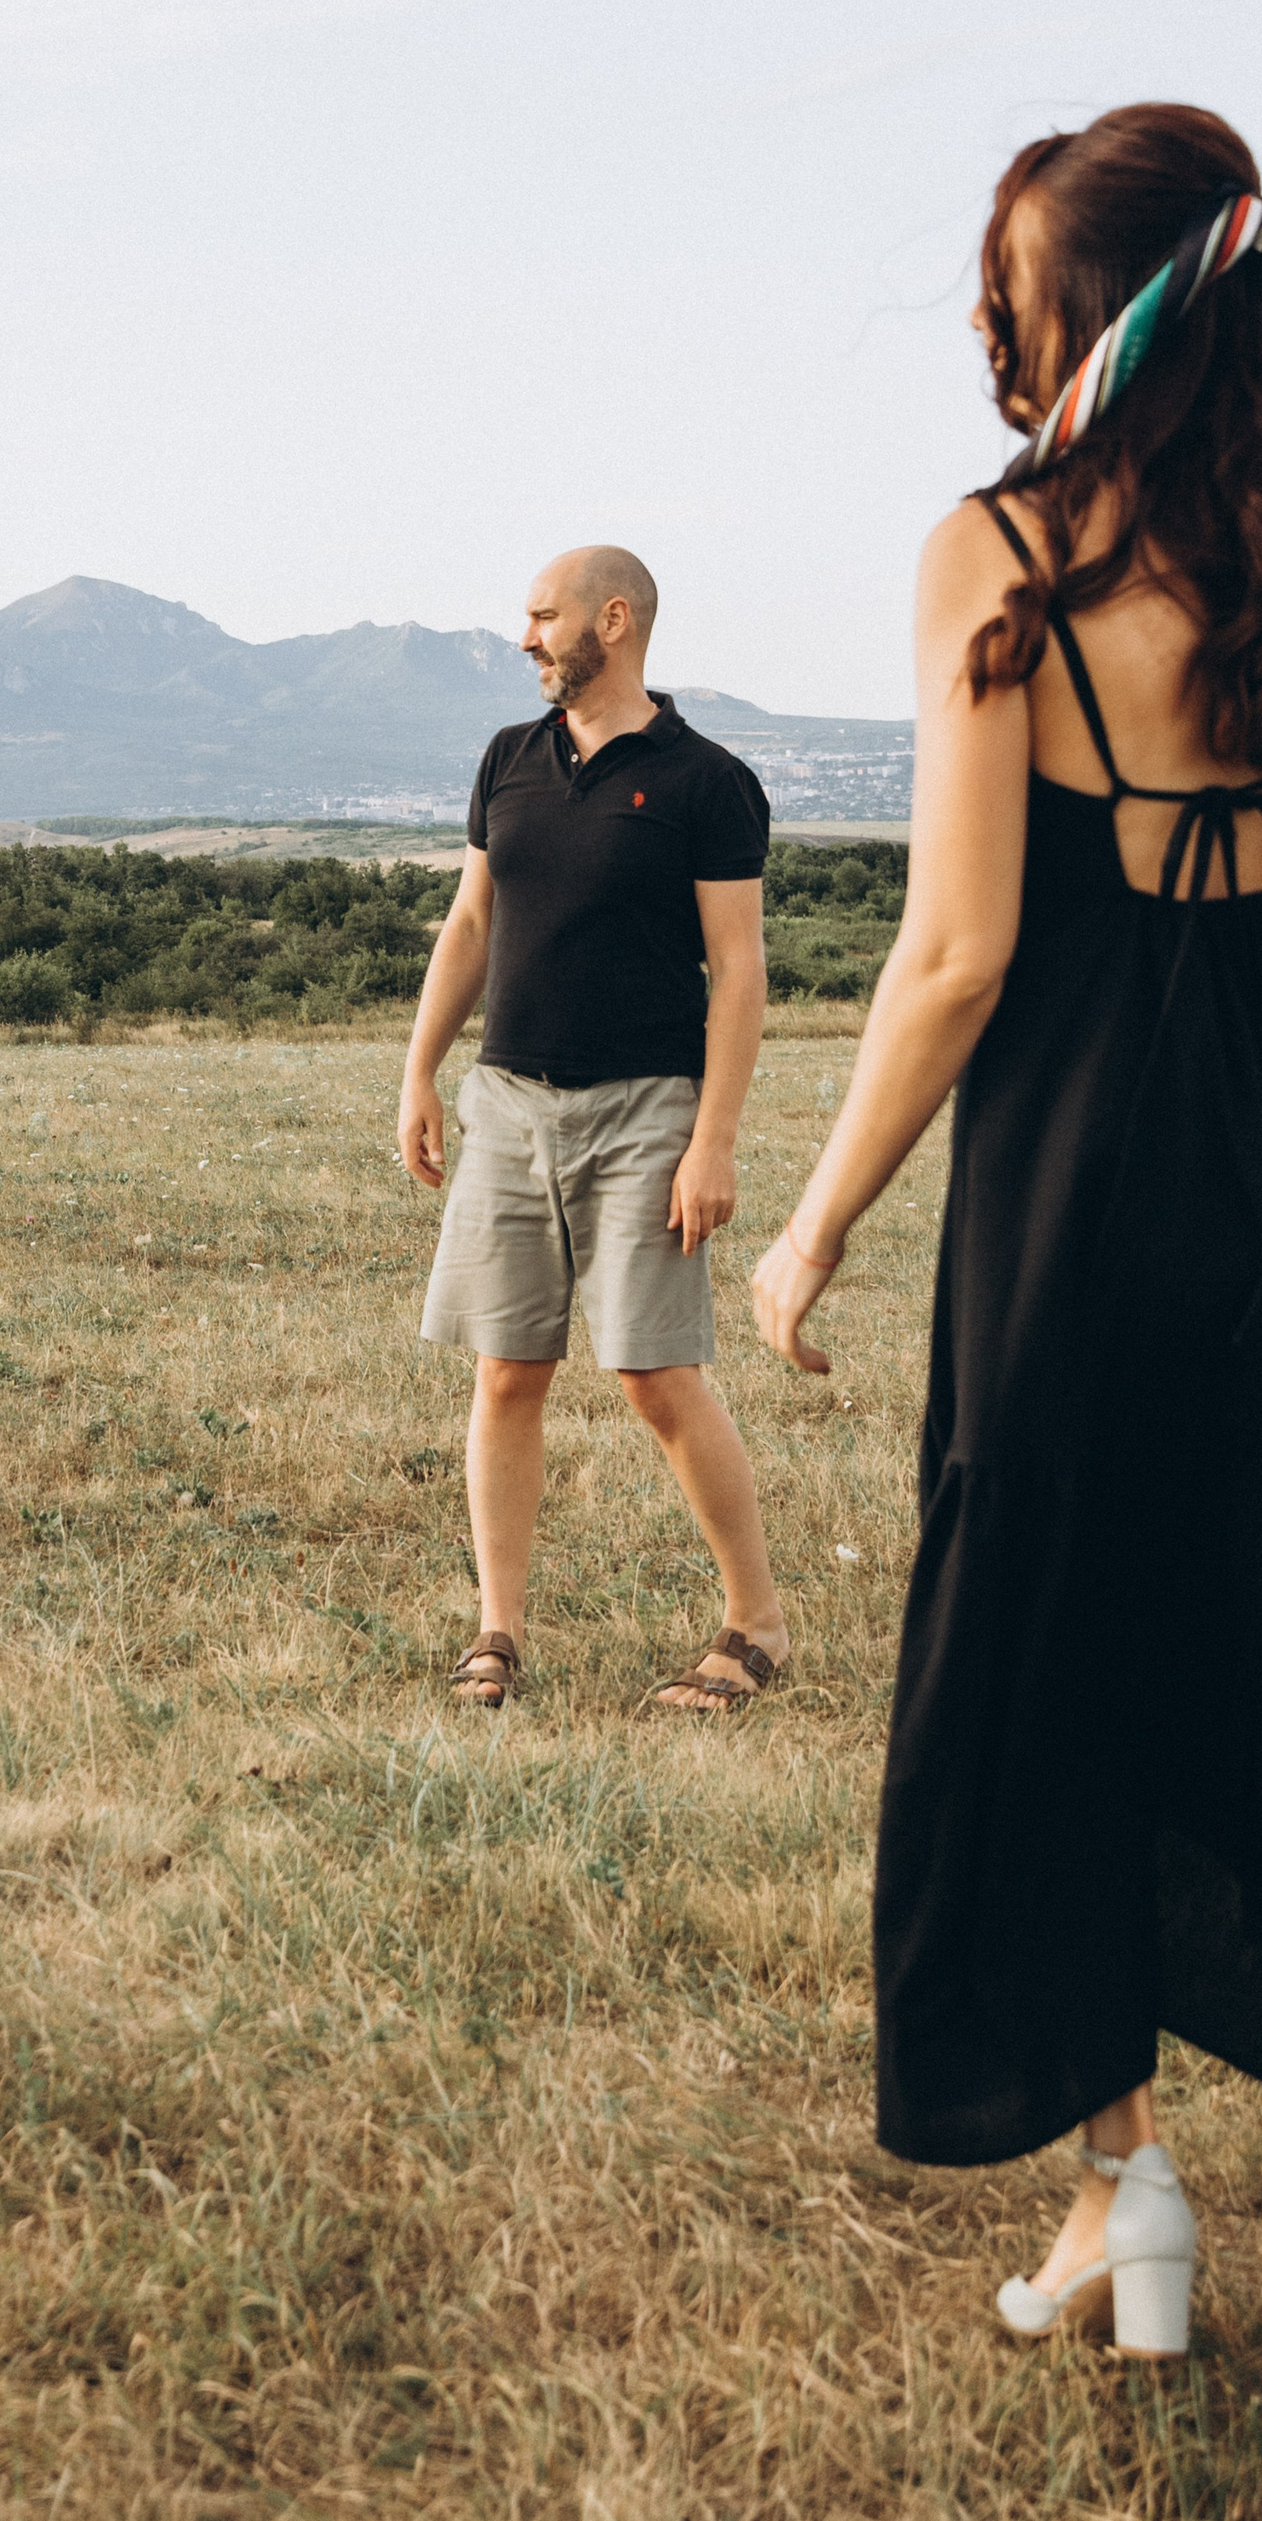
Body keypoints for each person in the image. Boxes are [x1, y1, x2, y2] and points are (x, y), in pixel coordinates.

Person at [751, 104, 1262, 2429]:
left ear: (1078, 319)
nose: (985, 340)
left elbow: (952, 956)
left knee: (1053, 1675)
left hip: (1082, 1212)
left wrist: (807, 1222)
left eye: (1006, 302)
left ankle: (1118, 2193)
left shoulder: (993, 555)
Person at [400, 543, 782, 1713]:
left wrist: (711, 1138)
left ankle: (755, 1623)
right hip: (508, 1101)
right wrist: (419, 1069)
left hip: (645, 1112)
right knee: (506, 1370)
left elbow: (738, 970)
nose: (523, 637)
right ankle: (496, 1631)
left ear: (608, 621)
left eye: (539, 615)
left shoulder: (705, 780)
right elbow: (470, 924)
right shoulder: (506, 760)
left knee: (653, 1375)